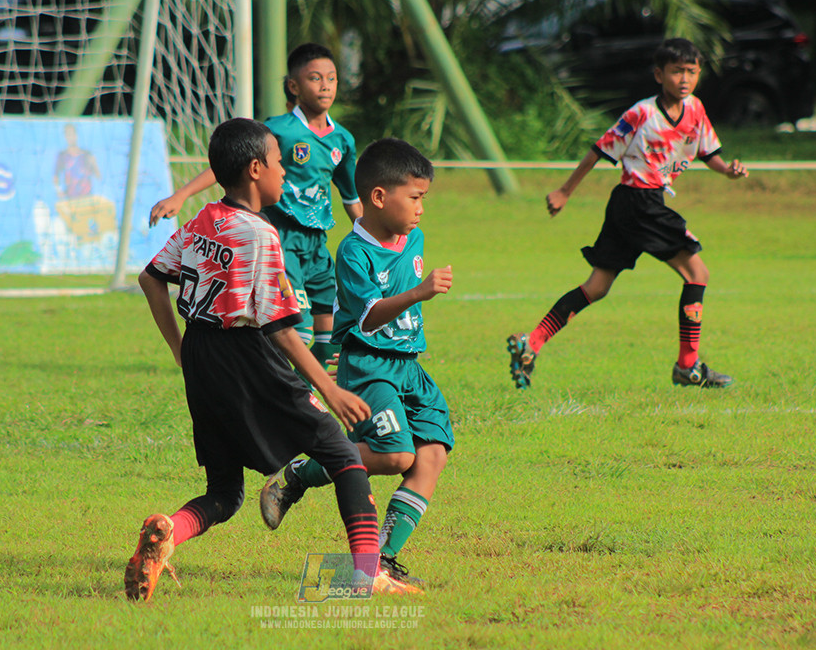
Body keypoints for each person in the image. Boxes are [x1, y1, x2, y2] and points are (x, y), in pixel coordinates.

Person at [124, 118, 414, 602]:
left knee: (224, 492)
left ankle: (168, 529)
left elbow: (151, 277)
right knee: (343, 455)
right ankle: (369, 575)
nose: (286, 173)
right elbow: (280, 329)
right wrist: (330, 388)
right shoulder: (260, 234)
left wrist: (180, 349)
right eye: (280, 163)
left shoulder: (203, 220)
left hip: (201, 354)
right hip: (246, 356)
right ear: (257, 169)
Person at [259, 138, 454, 588]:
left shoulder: (414, 236)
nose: (422, 208)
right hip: (369, 367)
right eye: (416, 197)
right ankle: (299, 473)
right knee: (395, 454)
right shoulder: (352, 251)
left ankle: (382, 560)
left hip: (409, 366)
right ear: (379, 197)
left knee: (431, 456)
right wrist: (419, 293)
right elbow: (366, 318)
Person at [507, 37, 748, 390]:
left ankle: (532, 343)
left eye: (691, 72)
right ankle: (688, 366)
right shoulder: (641, 114)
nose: (685, 79)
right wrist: (564, 191)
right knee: (697, 273)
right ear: (658, 74)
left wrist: (728, 170)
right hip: (639, 202)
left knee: (597, 287)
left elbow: (707, 151)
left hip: (637, 205)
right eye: (677, 71)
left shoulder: (695, 109)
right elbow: (597, 151)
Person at [149, 43, 362, 372]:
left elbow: (351, 197)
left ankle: (305, 394)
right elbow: (229, 162)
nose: (325, 85)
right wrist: (181, 195)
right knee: (295, 328)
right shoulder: (280, 130)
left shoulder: (343, 140)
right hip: (281, 240)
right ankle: (285, 393)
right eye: (315, 78)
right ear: (294, 86)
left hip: (317, 244)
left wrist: (376, 242)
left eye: (332, 78)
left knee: (328, 334)